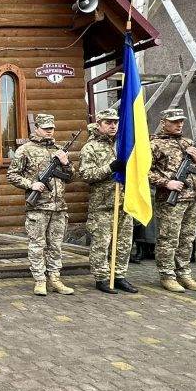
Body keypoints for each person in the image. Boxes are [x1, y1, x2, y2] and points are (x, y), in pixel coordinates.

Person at [7, 114, 75, 296]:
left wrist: (66, 163)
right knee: (37, 245)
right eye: (45, 128)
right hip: (38, 208)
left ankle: (55, 279)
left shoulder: (59, 150)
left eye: (51, 128)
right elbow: (12, 175)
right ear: (36, 128)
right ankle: (39, 280)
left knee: (56, 245)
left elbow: (71, 176)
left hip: (59, 207)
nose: (49, 131)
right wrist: (31, 185)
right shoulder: (25, 150)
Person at [77, 109, 138, 294]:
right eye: (108, 122)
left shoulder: (123, 145)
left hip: (124, 202)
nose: (113, 126)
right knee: (101, 244)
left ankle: (119, 275)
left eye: (115, 122)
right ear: (99, 124)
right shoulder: (90, 148)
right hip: (102, 205)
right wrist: (110, 168)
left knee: (123, 243)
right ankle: (102, 277)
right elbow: (86, 175)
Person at [149, 108, 196, 293]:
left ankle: (184, 273)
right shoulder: (154, 144)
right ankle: (167, 275)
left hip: (191, 198)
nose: (179, 124)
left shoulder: (188, 143)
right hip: (170, 200)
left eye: (181, 121)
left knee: (187, 238)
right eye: (174, 121)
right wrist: (166, 182)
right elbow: (143, 171)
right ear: (163, 122)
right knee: (168, 238)